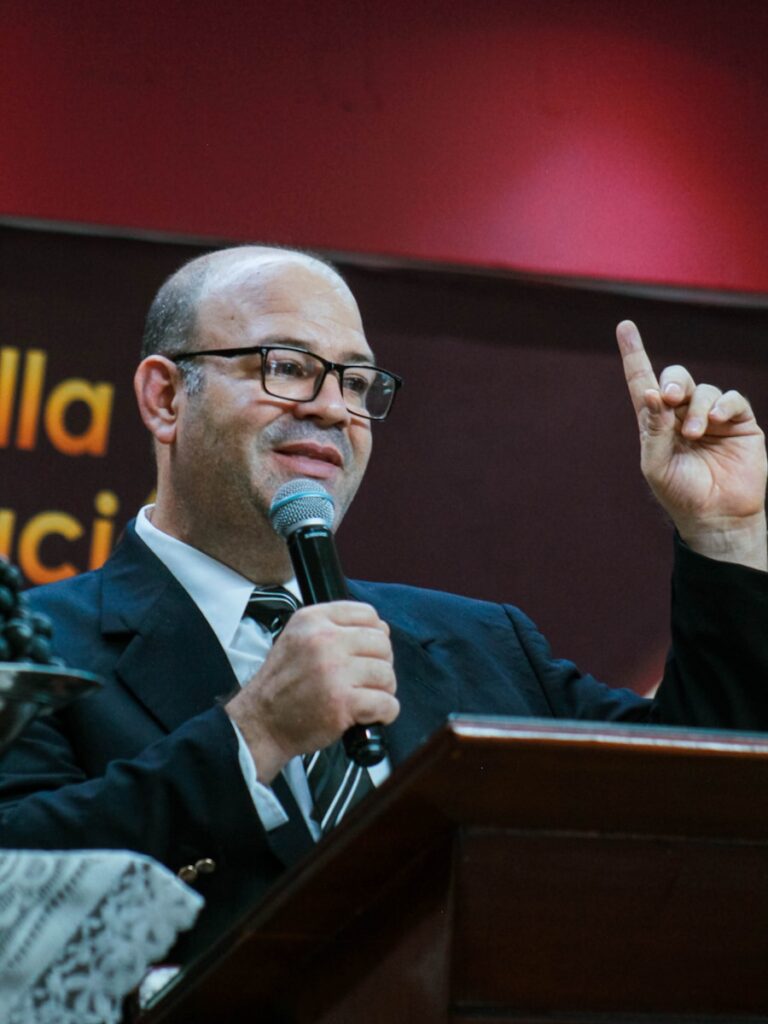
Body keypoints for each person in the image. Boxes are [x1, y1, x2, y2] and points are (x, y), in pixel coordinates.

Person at [1, 245, 767, 961]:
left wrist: (725, 534)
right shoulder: (32, 651)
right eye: (288, 367)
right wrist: (253, 736)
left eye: (358, 383)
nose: (335, 409)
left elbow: (698, 800)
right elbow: (16, 896)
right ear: (166, 397)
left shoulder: (484, 644)